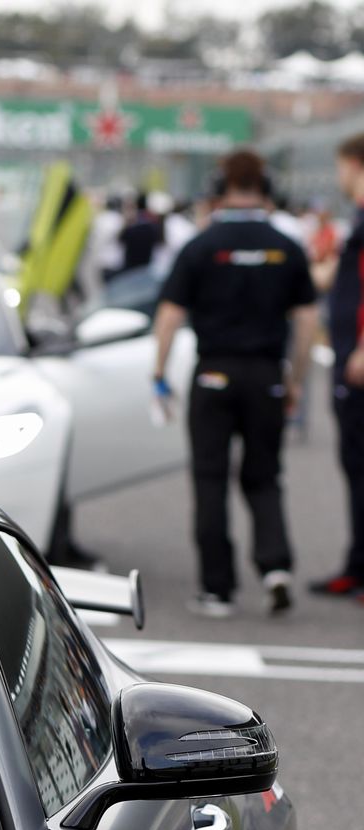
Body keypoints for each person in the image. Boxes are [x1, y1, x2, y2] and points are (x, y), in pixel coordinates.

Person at [151, 148, 318, 618]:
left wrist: (158, 372)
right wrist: (295, 379)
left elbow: (169, 315)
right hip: (265, 375)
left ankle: (217, 589)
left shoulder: (201, 245)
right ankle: (275, 567)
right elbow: (307, 322)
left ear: (217, 189)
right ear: (267, 189)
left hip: (213, 373)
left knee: (210, 478)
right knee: (265, 476)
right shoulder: (286, 246)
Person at [312, 132, 364, 599]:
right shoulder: (355, 220)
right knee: (354, 464)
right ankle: (356, 564)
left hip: (357, 361)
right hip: (346, 355)